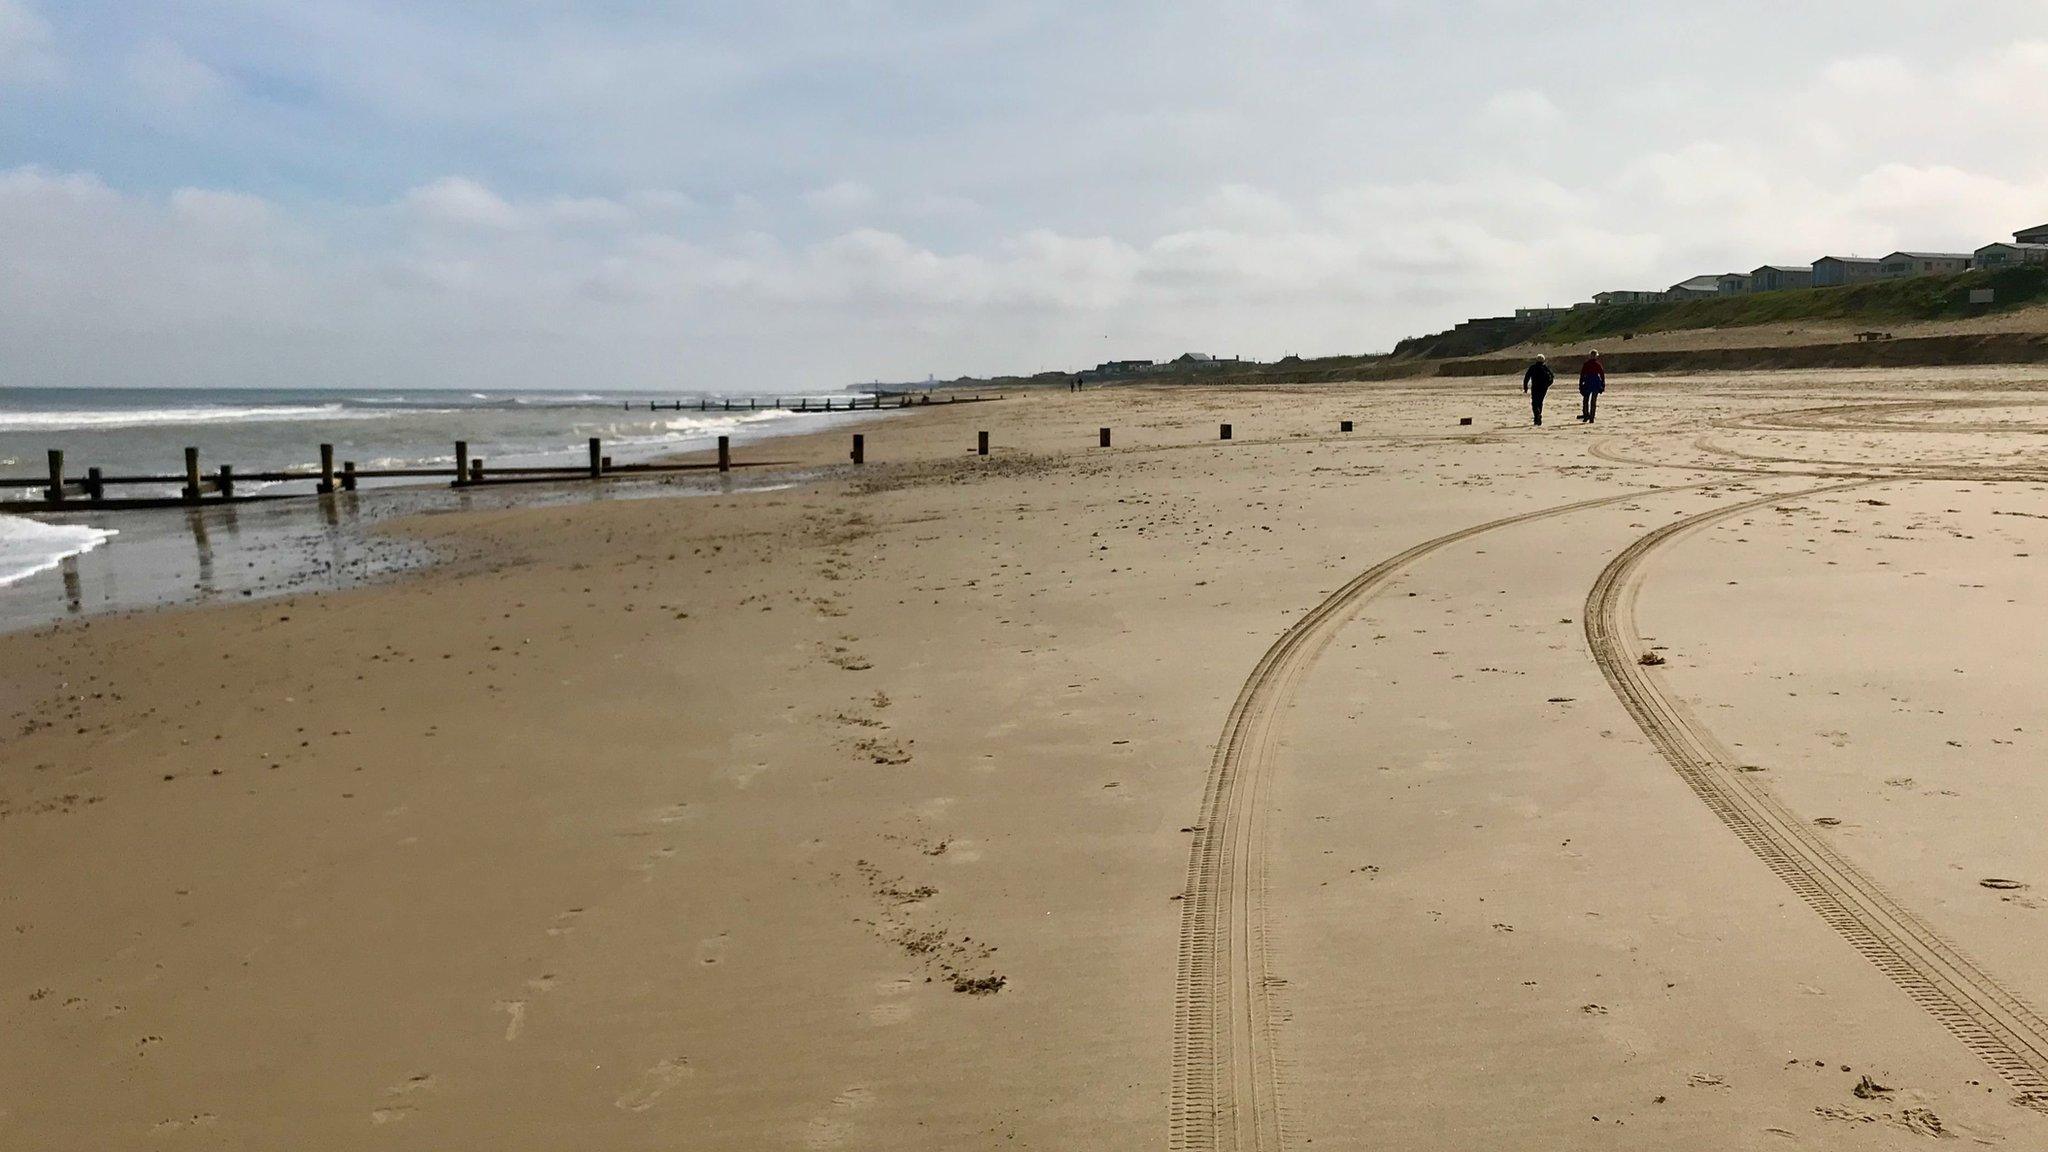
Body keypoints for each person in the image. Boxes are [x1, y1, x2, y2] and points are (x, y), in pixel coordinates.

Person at [1522, 354, 1552, 425]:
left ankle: (1537, 416)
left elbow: (1526, 378)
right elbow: (1552, 377)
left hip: (1535, 387)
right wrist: (1547, 385)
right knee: (1540, 402)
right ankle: (1538, 416)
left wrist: (1525, 387)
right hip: (1543, 388)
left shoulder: (1533, 367)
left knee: (1534, 403)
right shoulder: (1545, 368)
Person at [1578, 349, 1606, 422]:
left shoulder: (1587, 364)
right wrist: (1603, 384)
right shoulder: (1597, 364)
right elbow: (1602, 375)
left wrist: (1580, 385)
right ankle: (1591, 417)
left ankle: (1586, 415)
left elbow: (1582, 375)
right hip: (1595, 383)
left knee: (1586, 400)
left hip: (1588, 382)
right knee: (1593, 401)